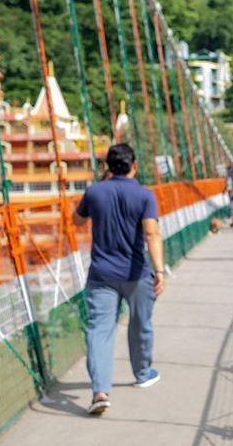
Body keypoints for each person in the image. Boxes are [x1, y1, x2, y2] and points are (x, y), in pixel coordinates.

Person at [73, 144, 165, 415]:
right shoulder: (145, 195)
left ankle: (100, 390)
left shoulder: (94, 192)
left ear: (107, 167)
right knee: (140, 323)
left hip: (101, 274)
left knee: (100, 331)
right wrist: (159, 270)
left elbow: (77, 221)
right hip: (137, 274)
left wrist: (100, 187)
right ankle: (143, 372)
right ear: (134, 165)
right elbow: (151, 234)